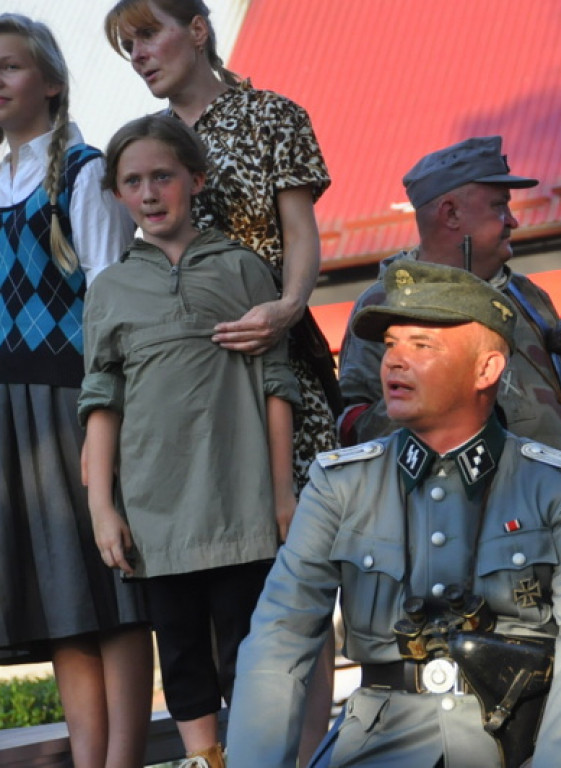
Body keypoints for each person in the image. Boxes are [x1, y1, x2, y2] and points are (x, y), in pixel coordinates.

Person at [226, 259, 561, 768]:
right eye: (391, 345)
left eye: (422, 346)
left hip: (521, 744)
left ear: (487, 369)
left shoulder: (557, 487)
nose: (394, 362)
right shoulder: (341, 484)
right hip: (379, 745)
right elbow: (279, 638)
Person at [104, 2, 338, 757]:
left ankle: (297, 752)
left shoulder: (271, 115)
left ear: (198, 29)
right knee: (193, 603)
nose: (138, 55)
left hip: (274, 368)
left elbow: (299, 233)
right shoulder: (144, 148)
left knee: (290, 580)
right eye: (126, 46)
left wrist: (286, 305)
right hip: (184, 400)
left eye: (148, 36)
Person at [79, 114, 301, 768]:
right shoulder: (111, 290)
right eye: (132, 181)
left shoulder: (241, 270)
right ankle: (206, 761)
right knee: (177, 653)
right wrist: (103, 507)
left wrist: (283, 491)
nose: (149, 192)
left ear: (195, 179)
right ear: (118, 195)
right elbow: (101, 399)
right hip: (154, 509)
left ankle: (261, 759)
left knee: (249, 651)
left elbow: (276, 380)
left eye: (162, 176)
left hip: (241, 502)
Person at [0, 14, 151, 768]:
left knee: (108, 586)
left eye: (10, 67)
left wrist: (104, 421)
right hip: (11, 415)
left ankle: (123, 759)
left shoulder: (84, 173)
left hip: (74, 401)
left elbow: (107, 305)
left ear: (52, 82)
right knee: (61, 596)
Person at [337, 135, 561, 458]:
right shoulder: (384, 307)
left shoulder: (530, 298)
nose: (513, 220)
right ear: (451, 213)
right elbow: (354, 429)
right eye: (499, 206)